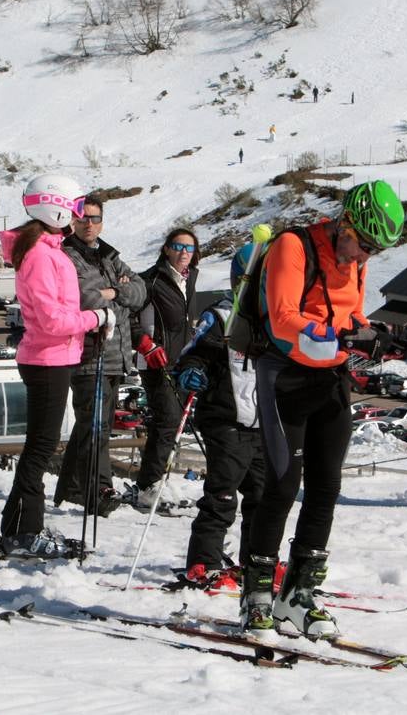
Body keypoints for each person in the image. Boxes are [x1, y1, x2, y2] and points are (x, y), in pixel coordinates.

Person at [239, 180, 405, 638]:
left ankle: (298, 596)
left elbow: (351, 313)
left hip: (330, 378)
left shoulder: (356, 261)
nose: (362, 258)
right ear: (344, 224)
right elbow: (283, 317)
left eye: (373, 251)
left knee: (326, 486)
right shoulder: (293, 247)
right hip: (285, 374)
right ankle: (256, 595)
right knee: (282, 483)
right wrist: (342, 338)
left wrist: (374, 332)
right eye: (362, 245)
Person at [0, 174, 114, 559]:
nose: (79, 217)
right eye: (76, 208)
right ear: (56, 208)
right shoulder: (42, 256)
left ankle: (19, 527)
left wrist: (93, 320)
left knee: (40, 447)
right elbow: (52, 321)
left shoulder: (46, 250)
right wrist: (98, 318)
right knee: (40, 448)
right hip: (47, 360)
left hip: (54, 358)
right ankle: (25, 531)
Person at [173, 243, 265, 589]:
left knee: (263, 497)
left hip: (261, 423)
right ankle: (203, 563)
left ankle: (257, 561)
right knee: (223, 495)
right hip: (225, 418)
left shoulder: (277, 319)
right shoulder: (222, 315)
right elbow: (194, 352)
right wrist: (192, 370)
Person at [55, 195, 147, 517]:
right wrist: (112, 292)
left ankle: (72, 488)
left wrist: (115, 292)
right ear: (73, 221)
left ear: (102, 221)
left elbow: (140, 291)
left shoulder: (108, 255)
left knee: (91, 427)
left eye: (94, 218)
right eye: (83, 218)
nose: (89, 224)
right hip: (88, 358)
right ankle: (100, 491)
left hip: (115, 358)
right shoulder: (66, 256)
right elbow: (83, 297)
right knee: (96, 428)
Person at [128, 228, 200, 510]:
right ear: (166, 249)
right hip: (156, 361)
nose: (184, 253)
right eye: (177, 246)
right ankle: (149, 485)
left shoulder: (191, 279)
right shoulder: (151, 280)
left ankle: (155, 479)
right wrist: (145, 343)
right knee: (167, 419)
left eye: (189, 248)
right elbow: (128, 317)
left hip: (183, 360)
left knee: (175, 421)